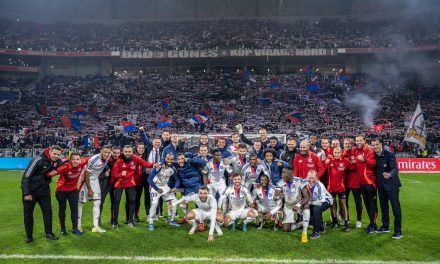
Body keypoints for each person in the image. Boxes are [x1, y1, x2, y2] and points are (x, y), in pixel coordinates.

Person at [21, 145, 63, 243]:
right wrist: (26, 193)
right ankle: (29, 236)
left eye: (58, 154)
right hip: (31, 191)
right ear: (49, 152)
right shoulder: (37, 160)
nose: (56, 156)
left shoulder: (57, 161)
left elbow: (64, 164)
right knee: (28, 214)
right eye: (55, 153)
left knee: (48, 211)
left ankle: (48, 233)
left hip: (44, 190)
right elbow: (26, 177)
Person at [111, 145, 156, 228]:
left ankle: (130, 221)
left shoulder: (135, 158)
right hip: (120, 182)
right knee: (116, 202)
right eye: (126, 152)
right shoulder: (119, 160)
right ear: (123, 152)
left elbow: (145, 164)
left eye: (129, 152)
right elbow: (114, 175)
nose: (128, 153)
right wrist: (121, 174)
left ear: (132, 152)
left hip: (130, 182)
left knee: (132, 200)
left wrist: (154, 165)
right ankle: (115, 222)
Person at [46, 153, 90, 235]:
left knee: (74, 209)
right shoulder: (66, 166)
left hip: (73, 189)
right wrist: (51, 172)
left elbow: (91, 157)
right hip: (61, 190)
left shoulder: (82, 162)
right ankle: (63, 228)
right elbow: (50, 174)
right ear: (70, 160)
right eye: (73, 159)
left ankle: (75, 229)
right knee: (62, 209)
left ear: (80, 160)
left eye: (77, 159)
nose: (75, 161)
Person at [371, 138, 402, 239]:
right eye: (373, 145)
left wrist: (390, 174)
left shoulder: (389, 154)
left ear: (381, 144)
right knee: (384, 207)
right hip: (381, 187)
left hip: (392, 186)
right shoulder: (373, 156)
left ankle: (398, 231)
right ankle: (385, 226)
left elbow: (395, 168)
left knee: (395, 209)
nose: (375, 147)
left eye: (376, 145)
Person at [78, 146, 111, 233]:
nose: (107, 154)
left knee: (97, 202)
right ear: (101, 151)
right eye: (105, 152)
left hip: (95, 180)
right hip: (85, 180)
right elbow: (86, 174)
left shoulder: (108, 156)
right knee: (81, 203)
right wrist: (89, 189)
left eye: (108, 152)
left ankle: (96, 226)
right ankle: (78, 225)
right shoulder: (94, 159)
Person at [276, 167, 310, 243]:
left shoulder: (300, 181)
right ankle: (301, 223)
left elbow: (307, 197)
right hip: (288, 206)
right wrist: (278, 196)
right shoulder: (280, 182)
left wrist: (298, 205)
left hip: (299, 204)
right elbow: (275, 196)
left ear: (291, 174)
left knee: (306, 205)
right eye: (282, 172)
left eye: (284, 172)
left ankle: (304, 233)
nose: (282, 175)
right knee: (286, 229)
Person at [147, 153, 181, 230]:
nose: (170, 161)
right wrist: (156, 189)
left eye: (172, 159)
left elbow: (177, 180)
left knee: (174, 202)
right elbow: (149, 179)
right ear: (165, 159)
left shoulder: (172, 168)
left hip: (165, 187)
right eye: (168, 159)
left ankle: (171, 220)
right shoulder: (158, 166)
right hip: (156, 187)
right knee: (154, 203)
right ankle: (151, 222)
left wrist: (175, 187)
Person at [353, 135, 377, 234]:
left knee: (372, 205)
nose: (358, 142)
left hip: (370, 182)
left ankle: (373, 225)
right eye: (357, 141)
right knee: (367, 204)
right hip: (362, 183)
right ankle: (371, 224)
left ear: (364, 141)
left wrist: (364, 159)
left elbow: (373, 163)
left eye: (360, 140)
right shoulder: (356, 151)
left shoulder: (369, 150)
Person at [324, 147, 352, 231]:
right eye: (335, 152)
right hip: (331, 187)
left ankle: (346, 222)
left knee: (343, 205)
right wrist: (326, 162)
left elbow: (353, 168)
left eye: (338, 153)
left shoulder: (346, 161)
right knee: (332, 205)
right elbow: (323, 168)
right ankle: (335, 222)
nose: (336, 154)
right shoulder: (329, 161)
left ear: (341, 153)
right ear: (333, 153)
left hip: (341, 187)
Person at [174, 153, 206, 224]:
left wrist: (190, 160)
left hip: (197, 187)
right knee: (183, 204)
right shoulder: (177, 166)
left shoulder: (191, 162)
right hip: (187, 189)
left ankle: (201, 222)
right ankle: (186, 218)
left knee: (199, 204)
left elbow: (203, 162)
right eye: (178, 159)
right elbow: (167, 162)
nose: (180, 161)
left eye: (182, 159)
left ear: (185, 159)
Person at [342, 138, 363, 229]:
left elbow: (355, 166)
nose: (347, 145)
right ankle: (347, 219)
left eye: (349, 144)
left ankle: (359, 220)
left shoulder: (355, 152)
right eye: (345, 144)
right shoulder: (341, 153)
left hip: (355, 181)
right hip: (344, 182)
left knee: (357, 201)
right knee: (344, 202)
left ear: (352, 144)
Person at [307, 170, 333, 240]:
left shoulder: (319, 186)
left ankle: (316, 232)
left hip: (326, 200)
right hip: (314, 201)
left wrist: (307, 202)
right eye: (310, 178)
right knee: (310, 211)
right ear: (307, 177)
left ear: (317, 178)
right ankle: (321, 225)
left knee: (316, 209)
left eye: (313, 178)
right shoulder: (305, 184)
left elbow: (318, 202)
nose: (311, 180)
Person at [100, 146, 120, 226]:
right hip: (105, 183)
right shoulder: (106, 160)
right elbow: (98, 172)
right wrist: (104, 175)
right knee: (101, 201)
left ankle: (114, 220)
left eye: (117, 153)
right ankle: (97, 219)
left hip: (115, 184)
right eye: (114, 153)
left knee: (115, 202)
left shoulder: (121, 160)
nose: (116, 155)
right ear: (111, 152)